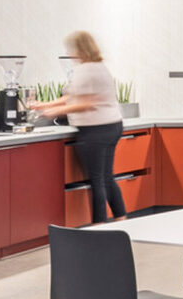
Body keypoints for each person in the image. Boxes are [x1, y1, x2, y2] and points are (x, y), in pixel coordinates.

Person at [30, 31, 125, 223]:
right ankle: (121, 218)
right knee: (107, 176)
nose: (70, 54)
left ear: (80, 50)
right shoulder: (100, 67)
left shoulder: (84, 70)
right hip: (113, 125)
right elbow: (75, 96)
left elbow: (86, 103)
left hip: (95, 130)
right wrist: (46, 105)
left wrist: (54, 112)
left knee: (97, 179)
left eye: (71, 50)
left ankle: (99, 225)